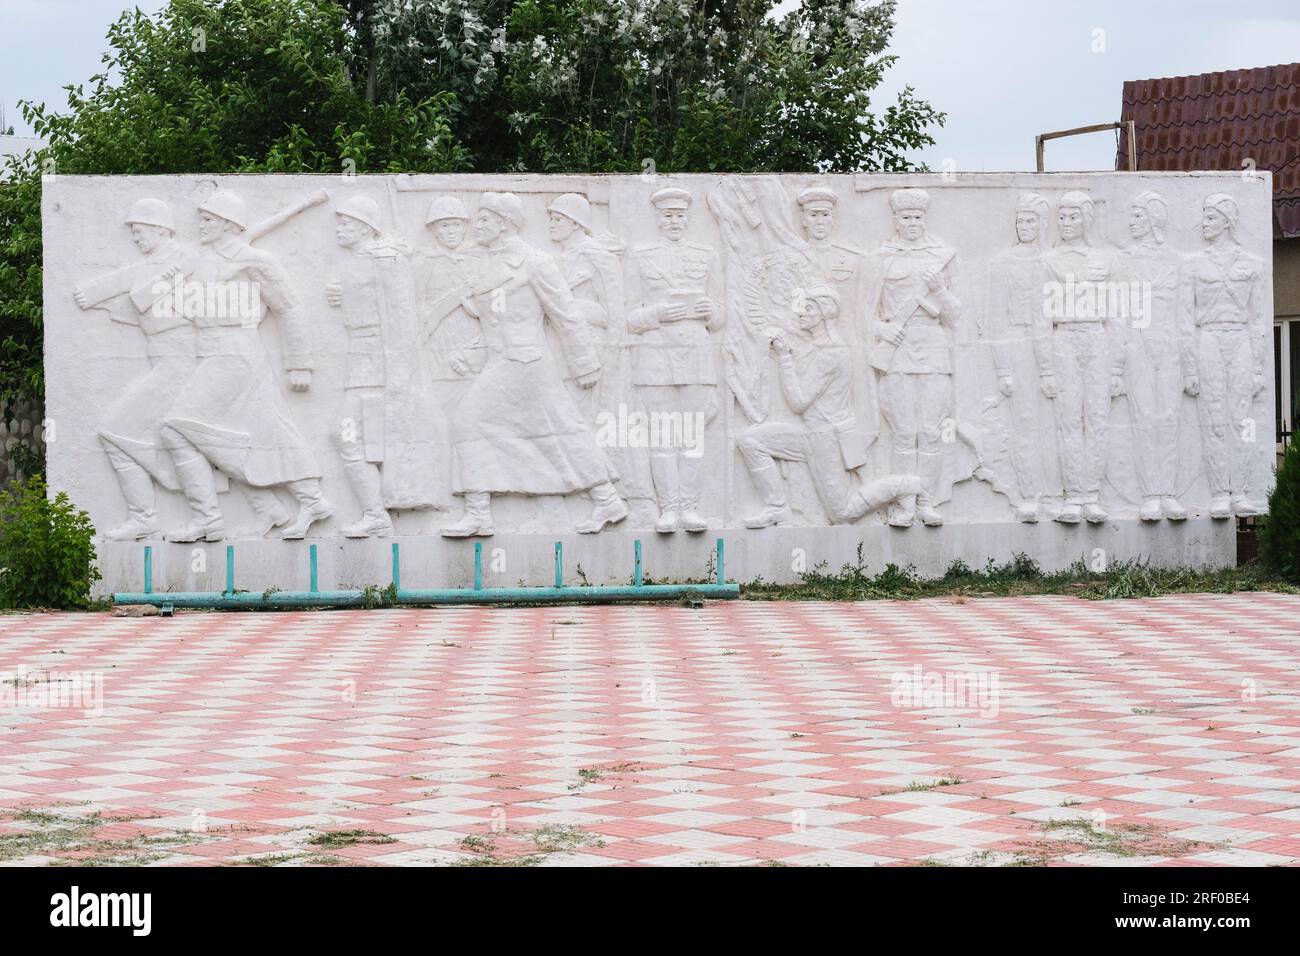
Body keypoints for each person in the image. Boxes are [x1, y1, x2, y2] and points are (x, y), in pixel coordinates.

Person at [441, 192, 627, 536]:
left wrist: (584, 362)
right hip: (502, 362)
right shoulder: (482, 262)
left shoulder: (535, 261)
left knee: (469, 421)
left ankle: (479, 511)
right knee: (561, 431)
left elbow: (565, 313)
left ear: (504, 224)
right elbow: (492, 320)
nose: (476, 225)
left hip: (526, 362)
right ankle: (606, 498)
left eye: (483, 219)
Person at [159, 189, 330, 542]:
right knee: (266, 431)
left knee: (176, 429)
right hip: (212, 351)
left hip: (236, 352)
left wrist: (300, 363)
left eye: (207, 220)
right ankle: (301, 503)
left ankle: (211, 519)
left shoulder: (256, 262)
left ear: (227, 224)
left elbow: (289, 309)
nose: (201, 225)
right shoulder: (202, 261)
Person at [739, 286, 928, 528]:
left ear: (824, 314)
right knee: (751, 440)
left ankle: (907, 486)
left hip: (826, 438)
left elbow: (798, 402)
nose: (801, 314)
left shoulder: (831, 354)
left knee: (842, 513)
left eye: (808, 308)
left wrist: (785, 358)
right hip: (811, 433)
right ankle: (776, 507)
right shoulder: (817, 347)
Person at [325, 195, 446, 537]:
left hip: (379, 360)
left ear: (366, 227)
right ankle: (376, 513)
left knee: (349, 435)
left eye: (346, 222)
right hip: (360, 357)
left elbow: (403, 314)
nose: (339, 229)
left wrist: (401, 370)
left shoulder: (385, 258)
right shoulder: (361, 260)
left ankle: (377, 514)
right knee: (357, 438)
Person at [73, 198, 194, 540]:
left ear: (161, 229)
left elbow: (140, 291)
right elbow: (128, 278)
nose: (135, 238)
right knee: (127, 433)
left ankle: (148, 511)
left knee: (114, 431)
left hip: (180, 361)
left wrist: (103, 293)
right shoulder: (158, 263)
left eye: (140, 232)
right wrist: (93, 291)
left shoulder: (185, 260)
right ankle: (156, 497)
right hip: (166, 359)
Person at [625, 186, 723, 533]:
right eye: (668, 216)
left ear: (688, 218)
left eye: (680, 215)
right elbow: (628, 317)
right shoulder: (640, 256)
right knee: (663, 438)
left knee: (692, 437)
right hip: (656, 359)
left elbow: (721, 317)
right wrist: (659, 313)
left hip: (696, 356)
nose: (674, 221)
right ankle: (668, 509)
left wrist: (711, 311)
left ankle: (690, 508)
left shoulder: (706, 255)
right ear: (657, 218)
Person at [867, 188, 959, 528]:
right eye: (905, 217)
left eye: (918, 217)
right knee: (904, 432)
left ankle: (927, 500)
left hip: (933, 347)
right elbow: (862, 314)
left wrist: (939, 290)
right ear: (895, 219)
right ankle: (904, 503)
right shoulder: (882, 257)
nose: (912, 223)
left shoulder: (942, 256)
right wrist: (881, 330)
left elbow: (955, 315)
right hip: (898, 350)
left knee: (931, 431)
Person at [1040, 190, 1124, 524]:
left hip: (1097, 337)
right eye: (1062, 217)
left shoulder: (1107, 259)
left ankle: (1092, 495)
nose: (1067, 223)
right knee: (1069, 420)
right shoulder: (1048, 260)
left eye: (1074, 216)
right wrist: (1046, 368)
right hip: (1064, 337)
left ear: (1087, 219)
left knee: (1098, 420)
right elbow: (1040, 319)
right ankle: (1073, 495)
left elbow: (1119, 315)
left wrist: (1117, 368)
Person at [1184, 193, 1267, 519]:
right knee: (1214, 418)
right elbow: (1184, 319)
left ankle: (1241, 490)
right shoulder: (1193, 264)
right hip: (1208, 338)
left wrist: (1258, 366)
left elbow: (1259, 318)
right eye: (1204, 217)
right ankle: (1219, 492)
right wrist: (1190, 366)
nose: (1204, 223)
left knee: (1242, 419)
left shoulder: (1252, 264)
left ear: (1227, 221)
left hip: (1240, 339)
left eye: (1211, 217)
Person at [985, 193, 1053, 522]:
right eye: (1020, 221)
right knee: (1025, 423)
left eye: (1032, 220)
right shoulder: (1002, 263)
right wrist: (1003, 369)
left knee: (1057, 423)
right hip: (1017, 343)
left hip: (1056, 346)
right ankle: (1029, 495)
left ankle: (1059, 493)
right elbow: (995, 318)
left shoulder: (1053, 261)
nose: (1024, 227)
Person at [1121, 190, 1189, 521]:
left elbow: (1185, 313)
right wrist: (1117, 368)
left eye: (1136, 215)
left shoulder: (1176, 260)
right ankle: (1150, 493)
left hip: (1170, 343)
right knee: (1145, 419)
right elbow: (1118, 315)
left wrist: (1189, 364)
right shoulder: (1124, 260)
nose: (1131, 221)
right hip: (1138, 343)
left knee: (1170, 418)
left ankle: (1169, 492)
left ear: (1152, 219)